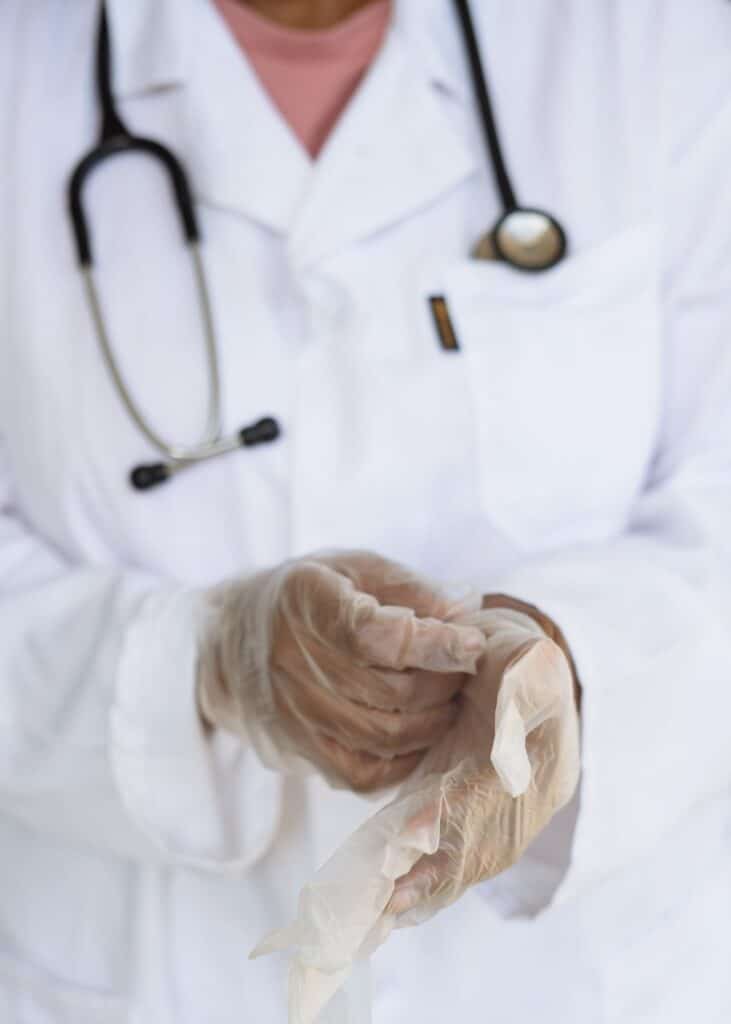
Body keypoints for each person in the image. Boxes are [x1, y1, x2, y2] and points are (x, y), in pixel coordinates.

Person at [0, 1, 730, 1021]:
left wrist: (565, 657)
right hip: (142, 976)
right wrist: (202, 663)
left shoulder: (655, 38)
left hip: (587, 978)